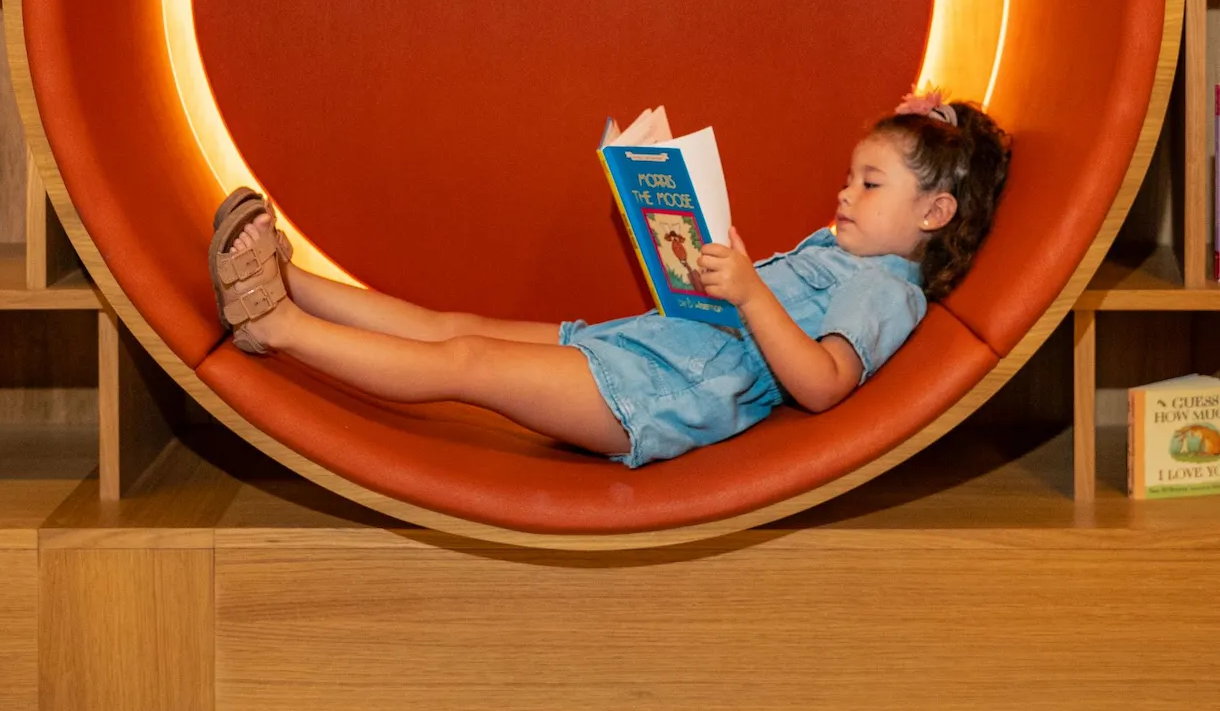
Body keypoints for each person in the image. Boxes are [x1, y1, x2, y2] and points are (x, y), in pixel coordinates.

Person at [206, 90, 1012, 468]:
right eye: (849, 176)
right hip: (638, 352)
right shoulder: (846, 254)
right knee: (455, 325)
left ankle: (271, 325)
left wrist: (750, 291)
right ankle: (292, 278)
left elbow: (825, 383)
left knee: (469, 365)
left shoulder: (887, 287)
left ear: (935, 213)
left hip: (652, 398)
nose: (844, 193)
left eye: (870, 185)